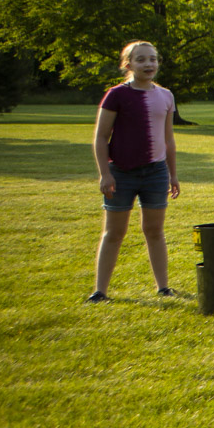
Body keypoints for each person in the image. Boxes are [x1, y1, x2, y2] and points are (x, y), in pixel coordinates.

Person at [89, 41, 180, 302]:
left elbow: (169, 140)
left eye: (153, 59)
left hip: (155, 173)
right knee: (114, 232)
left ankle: (163, 287)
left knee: (154, 230)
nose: (149, 64)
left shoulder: (166, 96)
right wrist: (105, 174)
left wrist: (172, 174)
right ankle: (100, 291)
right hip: (121, 173)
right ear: (128, 65)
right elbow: (101, 137)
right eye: (141, 60)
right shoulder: (116, 95)